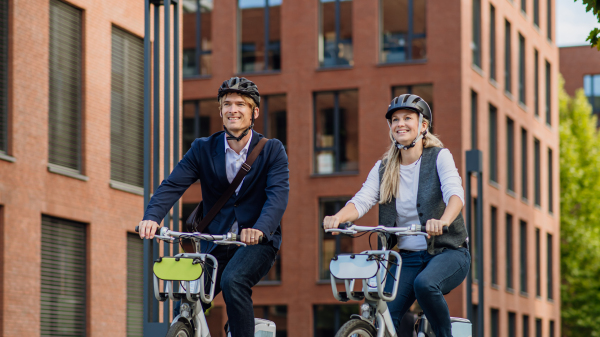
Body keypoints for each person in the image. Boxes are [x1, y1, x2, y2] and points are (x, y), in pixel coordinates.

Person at [138, 77, 289, 337]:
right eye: (227, 104)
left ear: (254, 112)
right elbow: (173, 185)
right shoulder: (202, 149)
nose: (233, 109)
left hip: (255, 243)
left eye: (241, 104)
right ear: (220, 111)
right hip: (215, 241)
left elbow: (277, 196)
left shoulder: (272, 150)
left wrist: (260, 229)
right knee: (187, 295)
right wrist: (152, 217)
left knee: (234, 281)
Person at [322, 94, 470, 337]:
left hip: (448, 251)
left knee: (426, 285)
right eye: (395, 120)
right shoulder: (384, 167)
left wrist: (443, 221)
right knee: (384, 315)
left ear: (423, 126)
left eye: (407, 118)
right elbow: (362, 199)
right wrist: (338, 217)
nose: (400, 123)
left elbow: (455, 194)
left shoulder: (439, 157)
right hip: (408, 258)